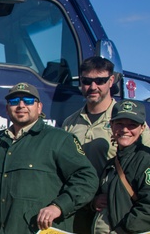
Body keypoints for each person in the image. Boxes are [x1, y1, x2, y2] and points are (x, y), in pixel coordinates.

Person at [0, 82, 98, 233]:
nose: (21, 105)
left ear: (39, 107)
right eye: (14, 101)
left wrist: (59, 206)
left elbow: (87, 179)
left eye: (28, 101)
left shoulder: (59, 139)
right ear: (7, 109)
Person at [62, 57, 150, 233]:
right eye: (87, 81)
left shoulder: (133, 122)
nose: (93, 87)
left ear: (111, 81)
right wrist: (91, 200)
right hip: (81, 210)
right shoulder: (69, 124)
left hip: (119, 216)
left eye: (100, 80)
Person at [91, 99, 150, 233]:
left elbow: (148, 208)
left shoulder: (145, 160)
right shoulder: (111, 163)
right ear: (111, 125)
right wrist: (94, 202)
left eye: (132, 125)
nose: (124, 129)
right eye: (119, 123)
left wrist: (121, 231)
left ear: (142, 128)